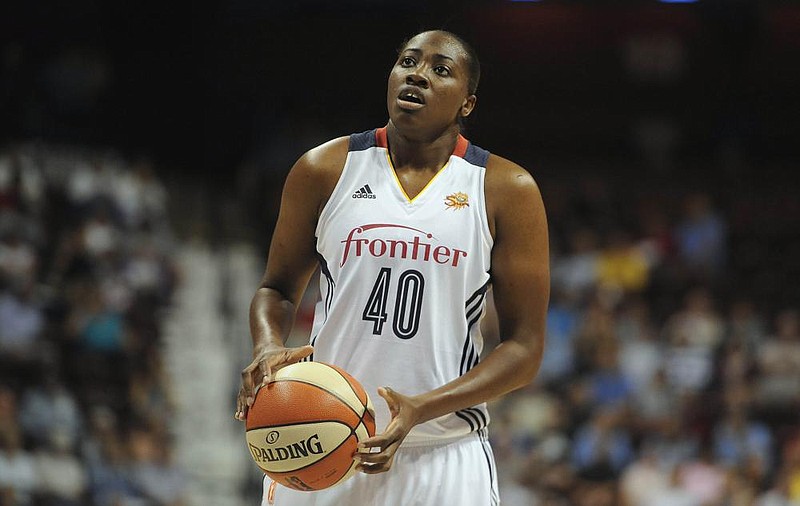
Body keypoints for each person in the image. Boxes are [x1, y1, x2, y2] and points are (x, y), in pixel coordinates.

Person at [235, 29, 550, 506]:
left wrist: (422, 409)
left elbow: (524, 350)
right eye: (408, 62)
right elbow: (276, 289)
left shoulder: (506, 188)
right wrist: (267, 346)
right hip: (320, 442)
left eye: (440, 70)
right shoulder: (324, 168)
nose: (418, 75)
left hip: (443, 452)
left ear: (467, 103)